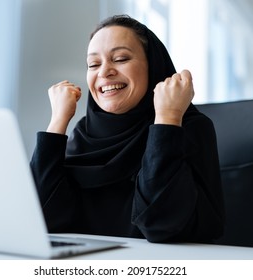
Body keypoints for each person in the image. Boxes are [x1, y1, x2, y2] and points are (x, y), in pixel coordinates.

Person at [30, 15, 225, 243]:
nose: (104, 72)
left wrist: (167, 118)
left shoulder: (187, 126)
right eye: (93, 64)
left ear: (152, 67)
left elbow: (162, 225)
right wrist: (57, 122)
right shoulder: (83, 134)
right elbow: (41, 219)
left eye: (120, 58)